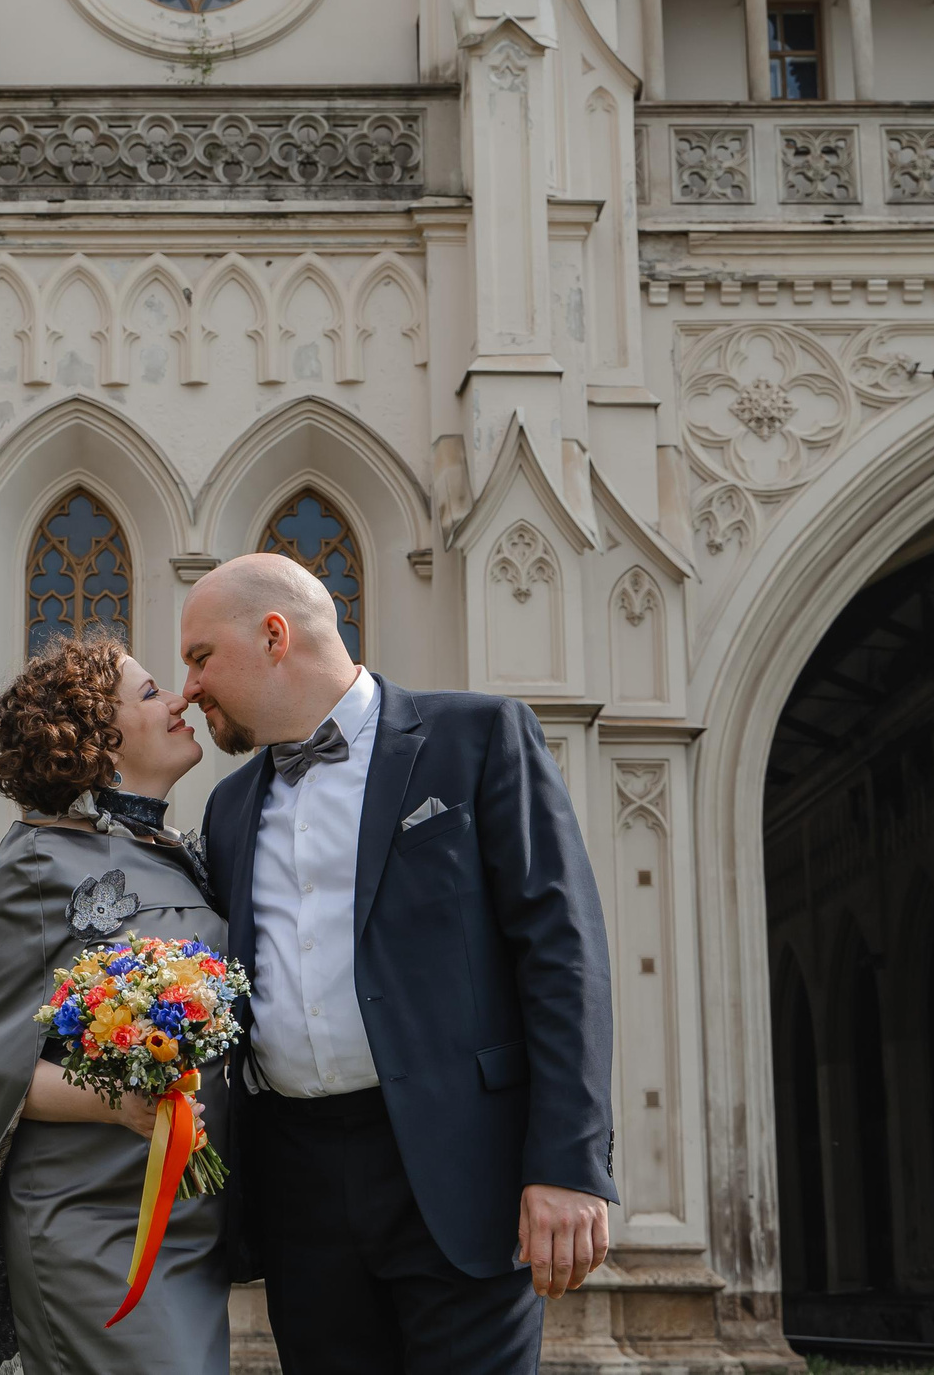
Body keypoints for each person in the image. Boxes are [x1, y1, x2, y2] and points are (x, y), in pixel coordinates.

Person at [181, 554, 616, 1375]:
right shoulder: (228, 806)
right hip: (298, 1184)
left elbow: (564, 954)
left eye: (201, 657)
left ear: (274, 636)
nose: (190, 687)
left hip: (463, 1166)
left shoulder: (478, 738)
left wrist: (569, 1161)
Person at [0, 634, 229, 1375]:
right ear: (101, 741)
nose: (179, 698)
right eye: (151, 692)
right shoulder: (35, 859)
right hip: (91, 1222)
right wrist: (121, 1102)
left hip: (190, 1223)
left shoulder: (182, 853)